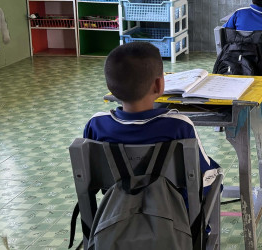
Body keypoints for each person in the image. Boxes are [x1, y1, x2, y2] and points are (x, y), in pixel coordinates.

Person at [84, 42, 222, 194]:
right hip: (174, 208)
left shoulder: (96, 125)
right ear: (158, 85)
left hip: (116, 208)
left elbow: (88, 179)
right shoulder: (179, 126)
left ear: (110, 87)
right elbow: (205, 178)